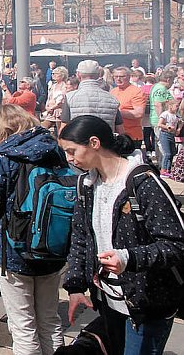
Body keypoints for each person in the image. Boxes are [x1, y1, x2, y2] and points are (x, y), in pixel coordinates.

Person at [59, 116, 184, 355]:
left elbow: (176, 243)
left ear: (94, 143)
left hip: (148, 303)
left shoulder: (143, 183)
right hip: (109, 301)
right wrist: (75, 286)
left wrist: (128, 258)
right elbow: (81, 237)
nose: (69, 159)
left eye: (72, 151)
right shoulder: (86, 184)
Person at [0, 105, 66, 355]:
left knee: (23, 324)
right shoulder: (55, 150)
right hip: (52, 244)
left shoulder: (5, 155)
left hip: (13, 247)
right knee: (50, 319)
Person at [60, 60, 122, 133]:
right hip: (105, 139)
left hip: (79, 138)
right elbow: (120, 130)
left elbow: (63, 128)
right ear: (98, 75)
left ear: (78, 75)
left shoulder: (70, 97)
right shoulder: (112, 98)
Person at [110, 66, 147, 161]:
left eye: (122, 76)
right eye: (116, 76)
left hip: (131, 136)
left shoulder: (136, 92)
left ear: (129, 77)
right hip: (116, 136)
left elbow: (138, 113)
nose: (118, 79)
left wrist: (117, 113)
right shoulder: (113, 91)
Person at [157, 98, 180, 177]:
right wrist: (168, 127)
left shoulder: (176, 115)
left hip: (171, 135)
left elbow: (181, 121)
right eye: (176, 106)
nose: (177, 108)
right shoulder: (165, 114)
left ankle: (168, 169)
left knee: (172, 153)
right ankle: (163, 170)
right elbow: (159, 124)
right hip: (165, 134)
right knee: (167, 153)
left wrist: (178, 129)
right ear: (170, 106)